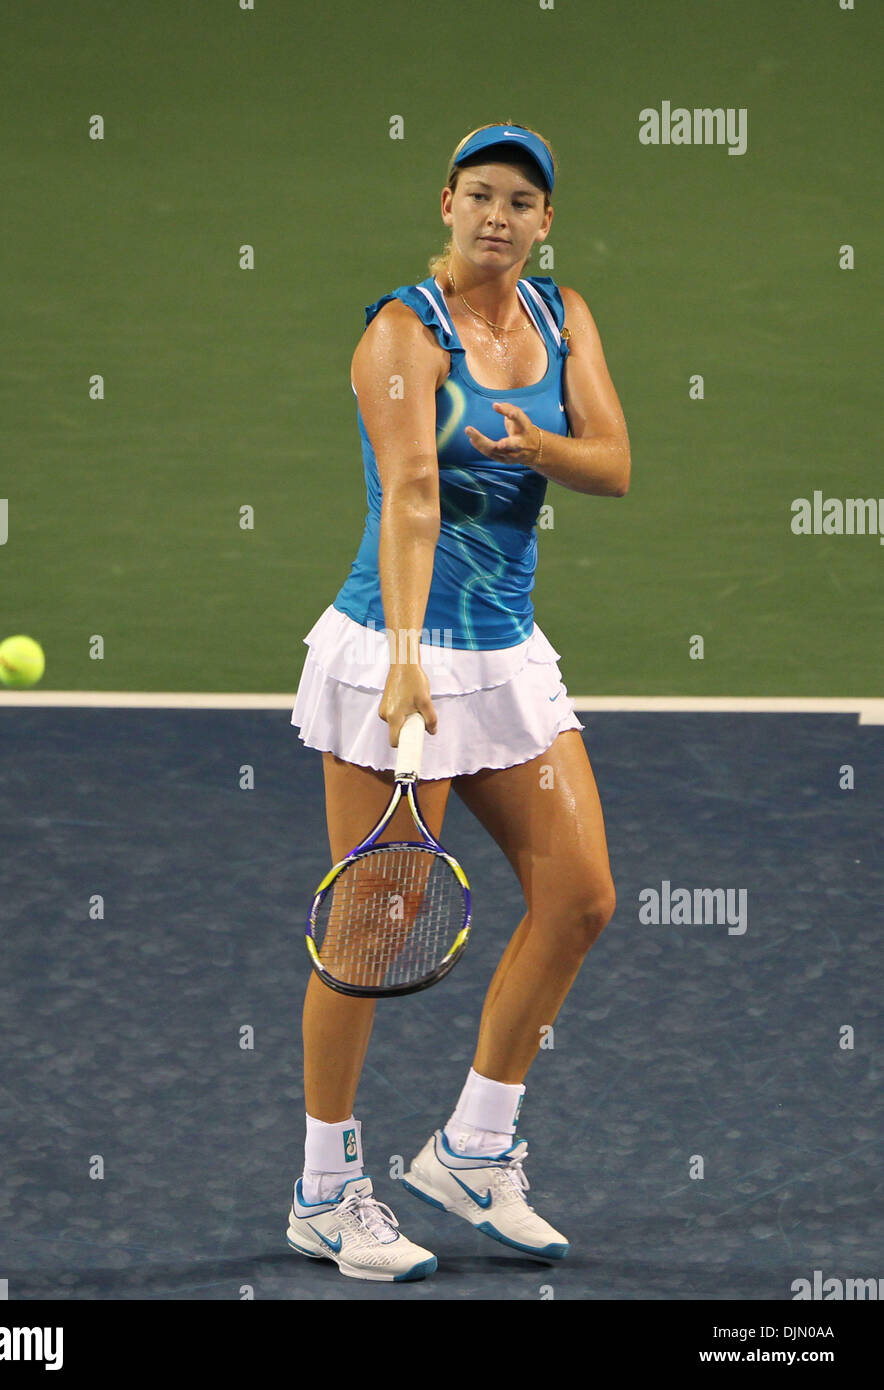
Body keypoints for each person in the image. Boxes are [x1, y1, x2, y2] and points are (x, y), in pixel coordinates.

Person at [287, 122, 630, 1282]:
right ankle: (325, 1189)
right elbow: (412, 494)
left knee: (580, 897)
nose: (499, 215)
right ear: (445, 203)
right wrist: (399, 652)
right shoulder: (400, 331)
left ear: (545, 224)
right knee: (373, 930)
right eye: (479, 195)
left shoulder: (561, 315)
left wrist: (539, 441)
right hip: (403, 654)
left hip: (509, 659)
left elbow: (615, 461)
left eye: (521, 201)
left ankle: (474, 1148)